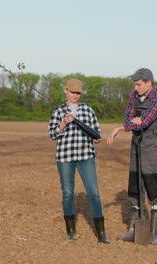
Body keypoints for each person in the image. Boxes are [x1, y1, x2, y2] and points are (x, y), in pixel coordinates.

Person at [106, 68, 157, 245]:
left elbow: (146, 119)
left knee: (152, 184)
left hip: (153, 145)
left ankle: (154, 234)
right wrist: (119, 128)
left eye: (138, 84)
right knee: (134, 184)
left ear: (148, 82)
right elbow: (128, 119)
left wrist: (133, 122)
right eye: (134, 84)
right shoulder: (134, 96)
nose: (135, 88)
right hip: (136, 143)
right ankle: (133, 230)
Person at [48, 79, 110, 244]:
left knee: (94, 193)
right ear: (66, 91)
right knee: (68, 193)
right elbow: (53, 134)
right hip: (65, 157)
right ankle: (71, 230)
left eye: (78, 93)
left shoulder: (87, 109)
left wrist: (96, 138)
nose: (75, 95)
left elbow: (96, 131)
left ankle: (101, 234)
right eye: (72, 92)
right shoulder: (58, 111)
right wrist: (63, 123)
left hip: (85, 156)